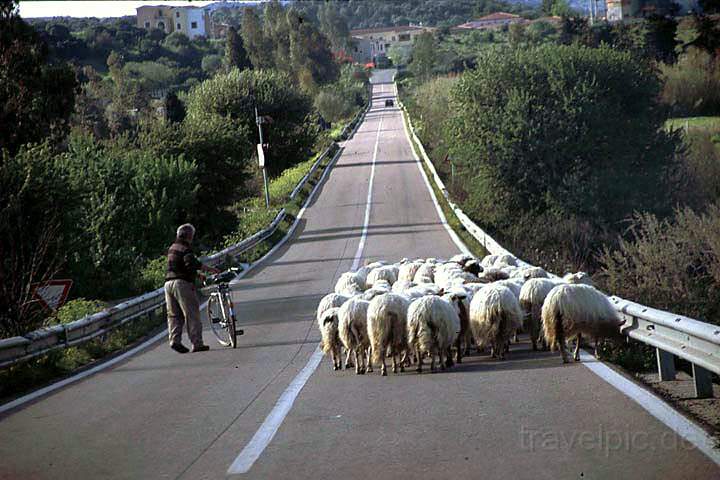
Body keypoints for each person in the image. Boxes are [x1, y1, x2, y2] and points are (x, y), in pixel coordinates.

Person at [164, 223, 219, 353]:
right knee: (191, 314)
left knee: (174, 315)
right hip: (181, 284)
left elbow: (182, 266)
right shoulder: (185, 248)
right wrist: (209, 269)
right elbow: (192, 264)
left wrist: (198, 275)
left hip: (168, 284)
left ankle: (174, 340)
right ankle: (197, 343)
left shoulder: (172, 247)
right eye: (192, 235)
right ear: (189, 235)